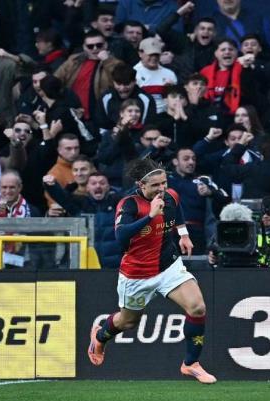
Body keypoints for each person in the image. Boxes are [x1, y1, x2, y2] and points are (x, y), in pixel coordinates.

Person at [88, 158, 217, 384]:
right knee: (128, 322)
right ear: (141, 185)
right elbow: (120, 236)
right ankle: (99, 336)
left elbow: (177, 209)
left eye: (164, 183)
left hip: (168, 266)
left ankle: (191, 364)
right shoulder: (129, 204)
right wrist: (150, 216)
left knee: (197, 307)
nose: (162, 189)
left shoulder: (170, 196)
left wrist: (183, 234)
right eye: (155, 185)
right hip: (137, 274)